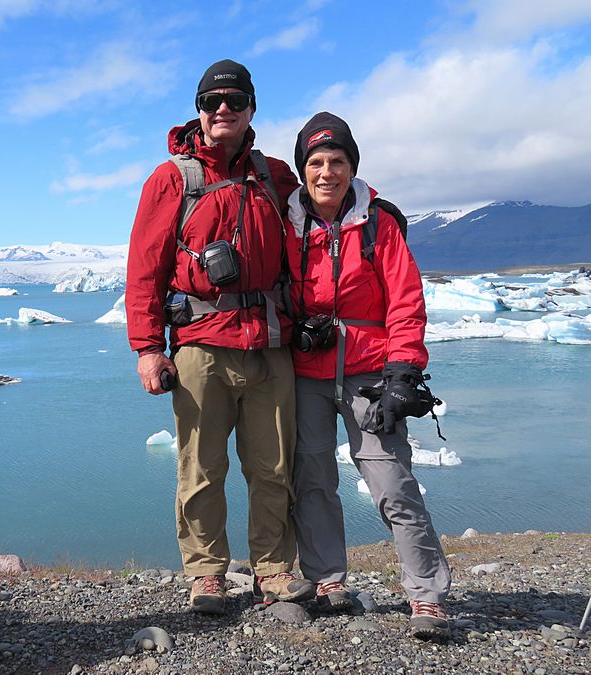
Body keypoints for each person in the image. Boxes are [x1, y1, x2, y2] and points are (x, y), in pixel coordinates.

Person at [125, 59, 313, 614]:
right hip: (202, 346)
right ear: (199, 112)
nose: (223, 110)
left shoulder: (276, 176)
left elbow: (320, 218)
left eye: (234, 100)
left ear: (252, 108)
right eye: (212, 102)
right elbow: (144, 270)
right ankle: (207, 574)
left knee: (273, 467)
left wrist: (376, 211)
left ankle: (273, 571)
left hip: (269, 346)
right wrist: (147, 349)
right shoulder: (173, 179)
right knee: (201, 468)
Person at [283, 111, 452, 640]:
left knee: (393, 485)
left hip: (370, 375)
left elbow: (405, 300)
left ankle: (426, 596)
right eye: (316, 162)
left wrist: (404, 370)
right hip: (307, 373)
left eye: (337, 161)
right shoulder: (289, 225)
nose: (327, 171)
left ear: (351, 167)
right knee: (312, 482)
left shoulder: (379, 223)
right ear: (302, 170)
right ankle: (328, 580)